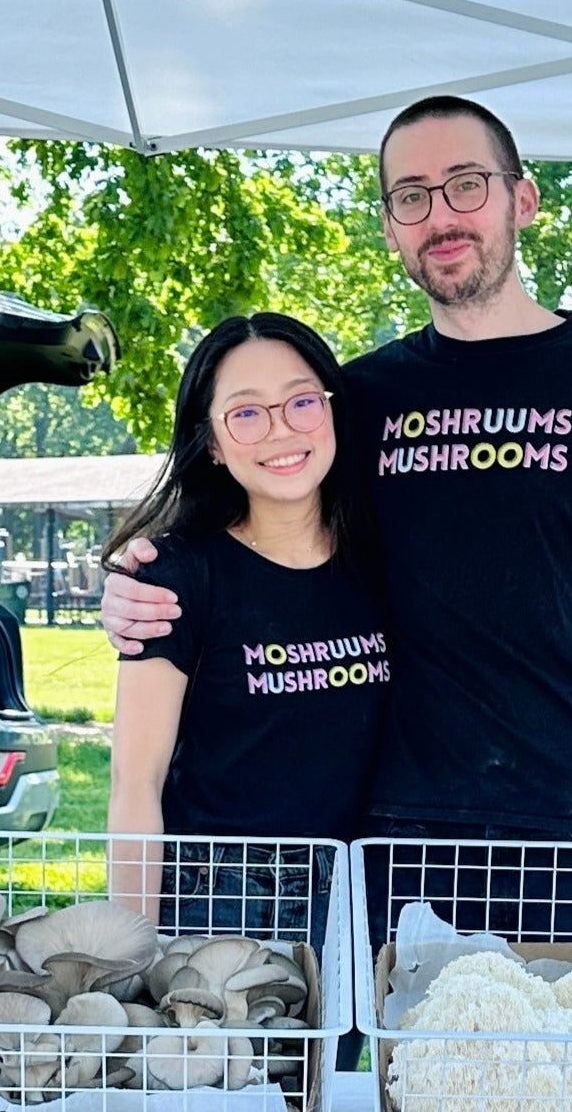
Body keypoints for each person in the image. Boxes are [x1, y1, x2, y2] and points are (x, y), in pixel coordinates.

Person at [103, 96, 572, 928]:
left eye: (466, 185)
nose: (441, 215)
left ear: (523, 199)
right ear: (390, 226)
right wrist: (132, 583)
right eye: (411, 196)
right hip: (403, 835)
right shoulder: (360, 399)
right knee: (415, 1060)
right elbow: (258, 511)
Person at [105, 312, 387, 941]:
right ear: (211, 441)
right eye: (247, 413)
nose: (281, 430)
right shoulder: (173, 575)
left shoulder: (386, 561)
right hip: (218, 905)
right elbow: (134, 784)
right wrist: (128, 956)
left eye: (302, 402)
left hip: (358, 901)